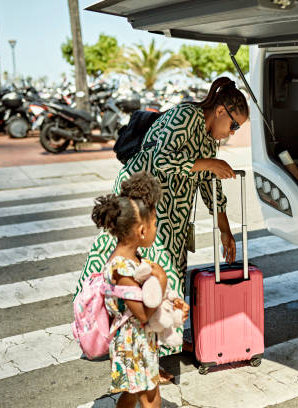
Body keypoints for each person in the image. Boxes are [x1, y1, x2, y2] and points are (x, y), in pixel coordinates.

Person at [75, 76, 250, 381]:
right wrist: (207, 163)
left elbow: (211, 188)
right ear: (221, 111)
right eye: (234, 125)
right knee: (148, 278)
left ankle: (156, 342)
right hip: (145, 208)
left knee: (162, 277)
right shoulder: (183, 116)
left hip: (171, 216)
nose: (232, 133)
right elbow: (162, 161)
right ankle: (142, 354)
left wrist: (225, 229)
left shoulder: (208, 138)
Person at [91, 172, 187, 408]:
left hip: (138, 341)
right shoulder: (122, 269)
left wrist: (171, 301)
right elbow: (144, 312)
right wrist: (162, 278)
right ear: (142, 231)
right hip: (134, 345)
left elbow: (146, 296)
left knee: (133, 392)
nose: (156, 228)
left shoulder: (131, 259)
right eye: (155, 224)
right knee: (150, 398)